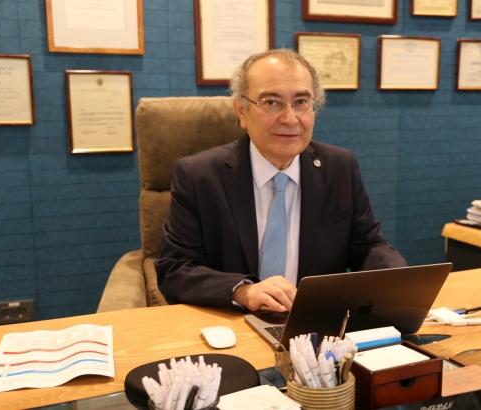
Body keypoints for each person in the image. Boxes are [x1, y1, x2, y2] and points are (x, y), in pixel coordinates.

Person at [155, 48, 406, 312]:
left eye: (301, 101)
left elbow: (368, 246)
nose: (289, 118)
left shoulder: (339, 167)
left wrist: (400, 279)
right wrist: (243, 291)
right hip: (232, 323)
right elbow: (175, 270)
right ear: (241, 111)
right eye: (271, 102)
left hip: (315, 323)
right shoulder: (198, 177)